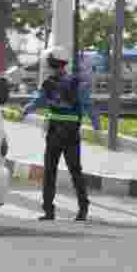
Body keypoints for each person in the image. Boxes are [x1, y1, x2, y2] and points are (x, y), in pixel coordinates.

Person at [20, 46, 95, 222]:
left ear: (51, 65)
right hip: (71, 134)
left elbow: (38, 102)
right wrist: (96, 124)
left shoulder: (48, 83)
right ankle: (83, 208)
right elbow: (87, 104)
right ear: (64, 64)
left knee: (50, 172)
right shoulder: (76, 82)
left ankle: (48, 211)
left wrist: (25, 110)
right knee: (75, 171)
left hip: (54, 133)